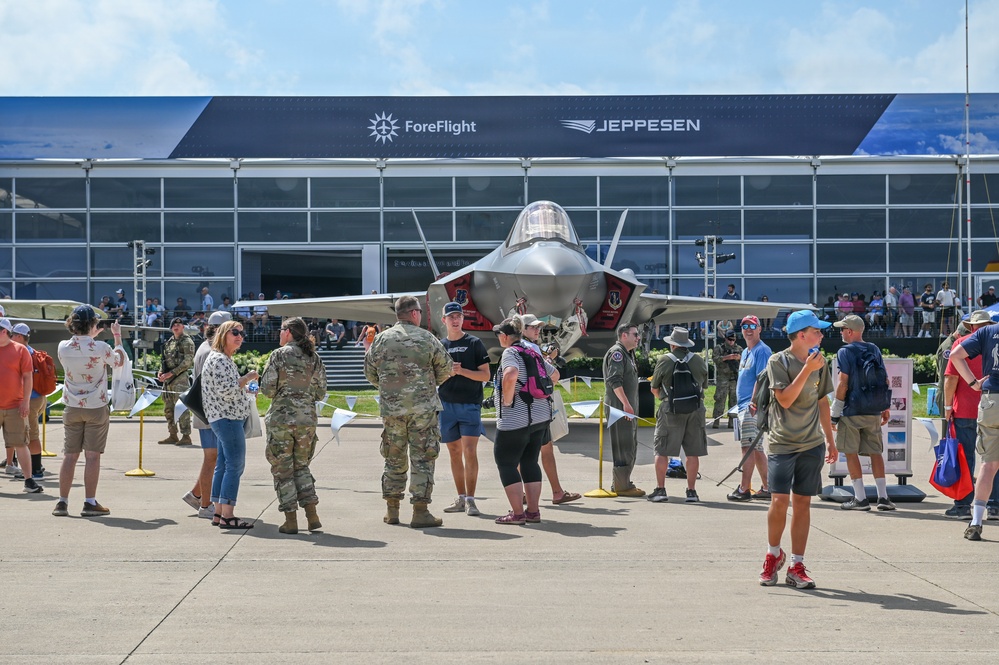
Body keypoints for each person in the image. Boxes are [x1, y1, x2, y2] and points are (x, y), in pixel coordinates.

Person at [759, 310, 837, 589]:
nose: (822, 335)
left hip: (812, 444)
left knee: (803, 503)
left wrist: (830, 439)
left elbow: (822, 402)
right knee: (779, 501)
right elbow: (786, 400)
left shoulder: (820, 362)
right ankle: (772, 554)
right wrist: (807, 369)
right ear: (802, 335)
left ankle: (797, 564)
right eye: (817, 331)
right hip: (782, 443)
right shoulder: (777, 361)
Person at [363, 295, 451, 528]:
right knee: (423, 457)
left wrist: (392, 389)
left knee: (394, 456)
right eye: (420, 311)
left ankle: (392, 510)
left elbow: (370, 372)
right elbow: (445, 369)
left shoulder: (381, 340)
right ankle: (420, 511)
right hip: (423, 409)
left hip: (392, 410)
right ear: (414, 313)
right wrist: (427, 385)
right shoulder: (428, 338)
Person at [53, 306, 125, 516]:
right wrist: (117, 337)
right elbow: (118, 360)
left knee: (70, 456)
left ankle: (62, 502)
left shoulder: (63, 347)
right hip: (96, 406)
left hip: (72, 407)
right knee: (92, 457)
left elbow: (81, 345)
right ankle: (89, 502)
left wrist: (89, 333)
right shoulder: (101, 348)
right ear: (93, 324)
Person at [260, 316, 328, 534]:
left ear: (288, 331)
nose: (279, 333)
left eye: (281, 330)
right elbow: (320, 391)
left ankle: (291, 519)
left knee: (283, 470)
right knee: (301, 466)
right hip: (307, 421)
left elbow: (268, 389)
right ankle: (312, 514)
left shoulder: (279, 355)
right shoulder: (313, 357)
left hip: (282, 420)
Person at [490, 317, 557, 524]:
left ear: (505, 336)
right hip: (540, 417)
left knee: (506, 462)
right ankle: (533, 512)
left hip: (516, 420)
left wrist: (508, 401)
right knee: (529, 461)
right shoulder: (533, 351)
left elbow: (510, 375)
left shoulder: (510, 352)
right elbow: (554, 375)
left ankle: (518, 514)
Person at [830, 315, 896, 511]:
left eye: (842, 329)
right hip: (873, 409)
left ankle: (860, 498)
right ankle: (883, 498)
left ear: (850, 331)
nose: (840, 332)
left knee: (851, 453)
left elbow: (843, 383)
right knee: (875, 452)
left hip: (852, 410)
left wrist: (835, 412)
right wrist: (884, 407)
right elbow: (885, 380)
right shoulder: (874, 349)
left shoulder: (844, 351)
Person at [202, 320, 259, 529]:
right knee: (235, 465)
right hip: (228, 419)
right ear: (223, 334)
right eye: (234, 332)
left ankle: (219, 512)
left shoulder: (221, 358)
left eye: (242, 334)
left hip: (223, 419)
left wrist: (245, 389)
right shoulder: (220, 359)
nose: (239, 337)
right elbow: (227, 391)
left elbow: (226, 390)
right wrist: (247, 378)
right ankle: (228, 515)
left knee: (224, 465)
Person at [519, 313, 581, 505]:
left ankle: (526, 492)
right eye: (533, 327)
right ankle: (554, 492)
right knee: (539, 451)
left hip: (526, 406)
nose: (538, 330)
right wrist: (550, 359)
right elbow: (549, 375)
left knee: (529, 451)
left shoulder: (520, 348)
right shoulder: (530, 349)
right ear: (522, 330)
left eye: (539, 327)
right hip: (536, 407)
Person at [942, 310, 999, 520]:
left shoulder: (964, 343)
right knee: (993, 459)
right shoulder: (989, 340)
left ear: (972, 327)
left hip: (967, 409)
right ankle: (994, 506)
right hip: (991, 402)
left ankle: (963, 506)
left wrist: (947, 408)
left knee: (966, 458)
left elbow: (950, 379)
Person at [437, 303, 491, 517]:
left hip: (470, 404)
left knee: (470, 451)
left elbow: (485, 375)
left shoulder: (474, 343)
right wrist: (447, 374)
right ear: (444, 320)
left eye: (458, 316)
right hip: (446, 406)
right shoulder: (440, 345)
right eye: (451, 317)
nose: (455, 320)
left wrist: (462, 371)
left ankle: (471, 499)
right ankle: (460, 497)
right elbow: (434, 376)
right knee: (454, 452)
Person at [181, 311, 231, 521]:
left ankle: (196, 495)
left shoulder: (207, 347)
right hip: (210, 412)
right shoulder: (211, 350)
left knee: (213, 458)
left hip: (206, 411)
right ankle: (204, 505)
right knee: (213, 459)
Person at [649, 327, 708, 503]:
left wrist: (665, 399)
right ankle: (691, 492)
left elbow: (654, 388)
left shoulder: (664, 360)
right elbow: (703, 386)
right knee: (692, 452)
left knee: (662, 450)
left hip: (671, 410)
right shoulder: (698, 360)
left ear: (673, 344)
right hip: (696, 409)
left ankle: (660, 490)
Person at [728, 315, 772, 502]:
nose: (748, 329)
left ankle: (744, 489)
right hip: (744, 405)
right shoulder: (746, 351)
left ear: (759, 329)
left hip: (752, 406)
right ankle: (768, 487)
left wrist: (753, 402)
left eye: (752, 326)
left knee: (747, 447)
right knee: (756, 448)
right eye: (745, 326)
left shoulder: (762, 351)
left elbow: (762, 379)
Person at [0, 318, 42, 494]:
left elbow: (27, 377)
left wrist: (25, 401)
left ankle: (29, 480)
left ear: (4, 332)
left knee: (21, 443)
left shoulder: (20, 350)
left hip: (15, 406)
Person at [603, 324, 645, 497]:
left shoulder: (628, 353)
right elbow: (615, 381)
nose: (638, 337)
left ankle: (623, 482)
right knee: (623, 446)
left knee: (629, 445)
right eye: (635, 334)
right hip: (620, 409)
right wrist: (626, 405)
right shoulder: (617, 353)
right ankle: (621, 485)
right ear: (624, 335)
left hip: (625, 409)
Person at [10, 323, 46, 481]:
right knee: (28, 435)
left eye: (12, 335)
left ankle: (36, 471)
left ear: (18, 336)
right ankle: (32, 468)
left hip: (29, 400)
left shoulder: (20, 353)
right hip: (38, 398)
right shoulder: (32, 351)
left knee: (31, 436)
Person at [157, 317, 195, 445]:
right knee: (168, 408)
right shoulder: (169, 342)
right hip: (168, 380)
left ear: (183, 327)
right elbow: (165, 360)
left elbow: (187, 362)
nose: (176, 326)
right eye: (174, 325)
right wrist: (161, 372)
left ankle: (186, 436)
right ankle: (172, 434)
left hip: (180, 379)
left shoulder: (187, 341)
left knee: (181, 408)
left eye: (179, 324)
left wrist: (171, 373)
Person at [711, 330, 742, 429]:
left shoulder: (739, 349)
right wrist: (726, 358)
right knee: (720, 399)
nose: (731, 342)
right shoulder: (719, 348)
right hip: (723, 378)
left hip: (734, 378)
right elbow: (715, 359)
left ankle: (732, 421)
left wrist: (738, 358)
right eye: (729, 340)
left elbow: (746, 361)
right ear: (725, 338)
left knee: (734, 401)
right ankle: (716, 420)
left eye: (733, 340)